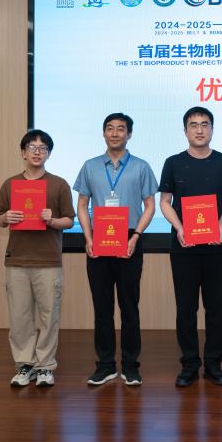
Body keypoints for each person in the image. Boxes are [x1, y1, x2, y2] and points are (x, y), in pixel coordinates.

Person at [74, 113, 158, 387]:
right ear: (103, 133)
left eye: (121, 129)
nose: (114, 133)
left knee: (129, 306)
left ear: (129, 134)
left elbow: (150, 206)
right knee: (102, 307)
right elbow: (82, 205)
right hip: (98, 240)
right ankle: (105, 365)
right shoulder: (90, 166)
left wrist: (136, 236)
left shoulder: (141, 167)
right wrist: (88, 237)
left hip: (129, 238)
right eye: (109, 128)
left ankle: (131, 366)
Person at [159, 106, 222, 387]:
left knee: (215, 308)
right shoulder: (173, 162)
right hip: (183, 246)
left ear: (212, 129)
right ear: (185, 131)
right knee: (186, 308)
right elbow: (164, 202)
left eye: (205, 124)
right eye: (193, 125)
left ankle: (214, 364)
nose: (199, 130)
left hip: (216, 246)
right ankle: (189, 365)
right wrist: (180, 227)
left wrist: (220, 225)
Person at [0, 130, 74, 387]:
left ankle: (45, 367)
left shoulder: (59, 184)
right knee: (20, 317)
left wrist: (52, 220)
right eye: (32, 147)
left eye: (42, 148)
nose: (37, 152)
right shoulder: (10, 184)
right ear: (23, 152)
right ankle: (24, 365)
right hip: (17, 260)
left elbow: (69, 221)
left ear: (49, 154)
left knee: (49, 317)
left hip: (48, 261)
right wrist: (6, 217)